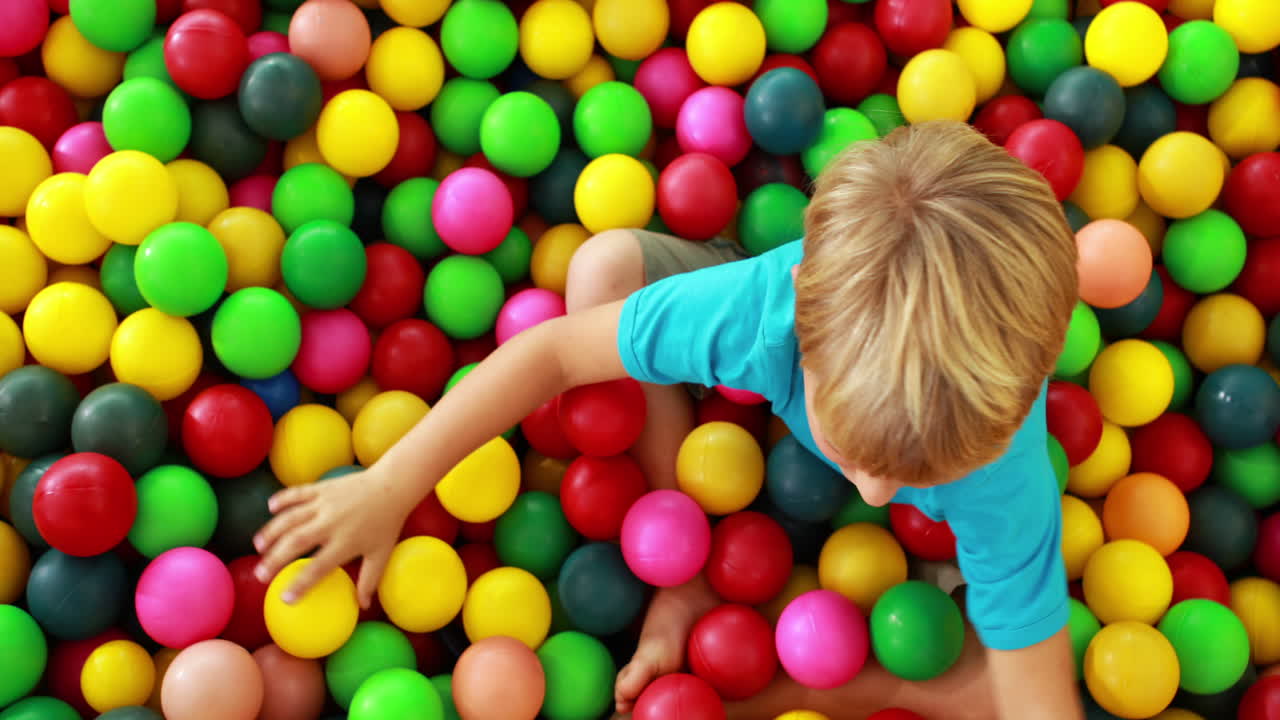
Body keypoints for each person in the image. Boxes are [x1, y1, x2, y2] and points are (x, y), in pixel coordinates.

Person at [253, 120, 1083, 720]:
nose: (871, 492)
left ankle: (791, 689)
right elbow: (550, 356)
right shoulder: (758, 314)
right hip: (759, 362)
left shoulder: (1004, 479)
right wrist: (390, 484)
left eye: (916, 469)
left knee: (996, 681)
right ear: (802, 318)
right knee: (603, 265)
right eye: (858, 450)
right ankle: (678, 569)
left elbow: (1040, 704)